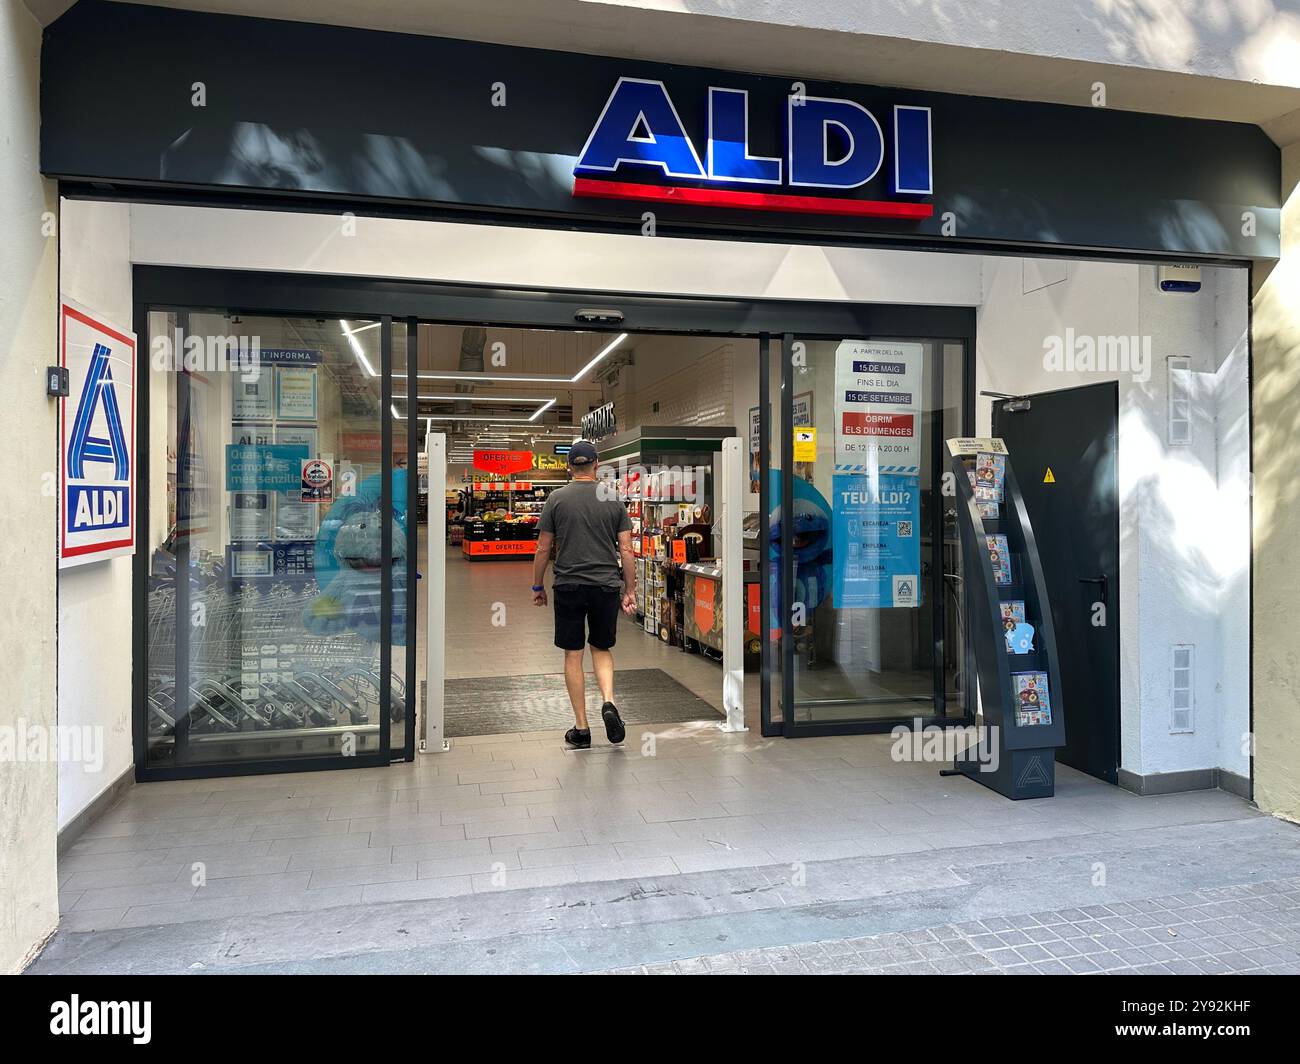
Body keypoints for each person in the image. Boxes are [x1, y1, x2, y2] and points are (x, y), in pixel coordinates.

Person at [531, 440, 636, 748]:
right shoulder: (613, 499)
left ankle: (581, 728)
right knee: (601, 648)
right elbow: (627, 550)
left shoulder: (556, 499)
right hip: (605, 585)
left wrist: (537, 586)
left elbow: (543, 548)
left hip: (569, 585)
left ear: (569, 467)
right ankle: (609, 701)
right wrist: (629, 590)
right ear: (597, 465)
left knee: (573, 654)